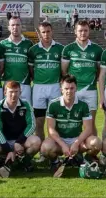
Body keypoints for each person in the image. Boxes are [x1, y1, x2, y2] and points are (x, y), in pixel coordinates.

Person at [40, 75, 101, 177]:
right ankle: (55, 162)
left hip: (77, 140)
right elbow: (50, 129)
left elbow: (88, 129)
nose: (69, 91)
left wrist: (76, 143)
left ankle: (83, 159)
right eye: (66, 88)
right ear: (61, 90)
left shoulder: (83, 105)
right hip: (59, 142)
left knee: (96, 143)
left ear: (76, 88)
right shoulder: (53, 104)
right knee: (45, 148)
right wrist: (63, 144)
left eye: (72, 88)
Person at [0, 81, 40, 173]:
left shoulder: (26, 105)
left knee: (36, 141)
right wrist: (8, 149)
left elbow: (32, 125)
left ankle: (24, 160)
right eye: (11, 92)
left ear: (20, 92)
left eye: (16, 92)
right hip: (5, 140)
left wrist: (19, 141)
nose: (13, 95)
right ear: (5, 92)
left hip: (21, 141)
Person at [61, 20, 103, 137]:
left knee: (90, 123)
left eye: (85, 30)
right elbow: (64, 71)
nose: (83, 33)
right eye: (80, 30)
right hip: (74, 90)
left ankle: (92, 151)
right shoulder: (68, 49)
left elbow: (99, 71)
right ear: (75, 32)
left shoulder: (97, 49)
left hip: (91, 90)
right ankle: (74, 150)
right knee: (73, 122)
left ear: (89, 31)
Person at [27, 22, 64, 151]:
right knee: (39, 122)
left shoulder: (60, 48)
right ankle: (43, 152)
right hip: (38, 87)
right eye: (43, 32)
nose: (46, 34)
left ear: (52, 31)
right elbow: (31, 70)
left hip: (55, 87)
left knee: (54, 122)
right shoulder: (33, 50)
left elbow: (63, 69)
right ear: (39, 33)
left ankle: (52, 149)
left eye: (48, 31)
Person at [1, 16, 34, 103]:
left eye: (18, 25)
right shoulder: (3, 44)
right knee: (7, 111)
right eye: (13, 25)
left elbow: (31, 65)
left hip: (24, 84)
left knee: (26, 110)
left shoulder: (29, 43)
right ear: (9, 27)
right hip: (8, 84)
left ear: (21, 26)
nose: (15, 27)